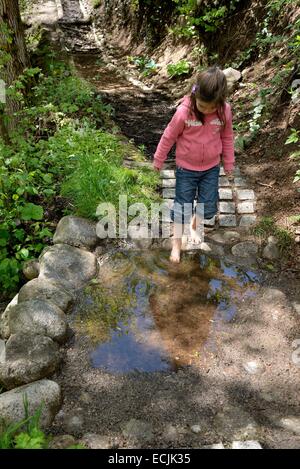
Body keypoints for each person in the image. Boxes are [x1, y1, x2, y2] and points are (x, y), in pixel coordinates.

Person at [153, 66, 235, 263]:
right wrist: (158, 160)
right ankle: (176, 246)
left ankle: (194, 225)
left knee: (207, 206)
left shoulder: (225, 111)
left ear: (221, 100)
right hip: (186, 169)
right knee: (182, 206)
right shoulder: (184, 112)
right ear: (195, 95)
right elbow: (168, 136)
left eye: (211, 107)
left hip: (211, 168)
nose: (206, 110)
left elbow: (228, 137)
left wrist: (229, 163)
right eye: (202, 106)